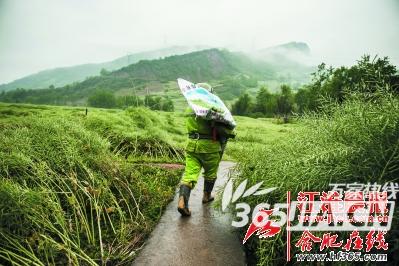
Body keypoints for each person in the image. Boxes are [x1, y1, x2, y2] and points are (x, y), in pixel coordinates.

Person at [177, 84, 236, 216]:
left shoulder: (189, 108)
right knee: (210, 173)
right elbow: (226, 122)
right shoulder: (211, 108)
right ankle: (206, 196)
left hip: (191, 145)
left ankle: (182, 201)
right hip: (210, 146)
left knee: (189, 174)